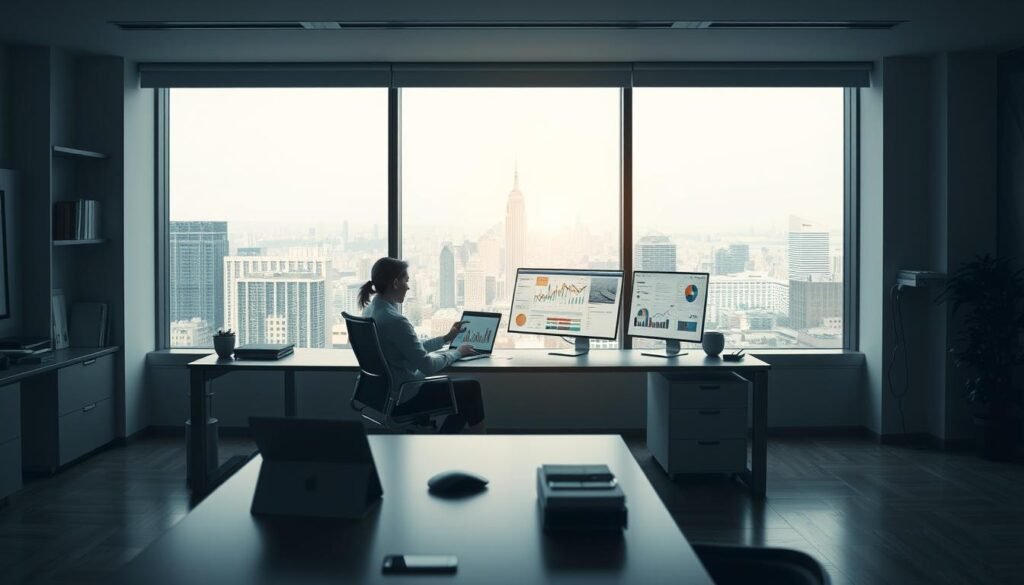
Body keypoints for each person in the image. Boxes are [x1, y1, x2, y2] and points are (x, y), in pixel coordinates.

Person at [359, 257, 486, 434]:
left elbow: (410, 348)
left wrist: (445, 338)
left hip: (381, 395)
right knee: (470, 389)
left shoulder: (370, 312)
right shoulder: (394, 320)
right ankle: (476, 444)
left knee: (464, 394)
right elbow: (427, 365)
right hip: (404, 396)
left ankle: (445, 444)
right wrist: (457, 353)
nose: (408, 287)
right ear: (396, 283)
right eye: (406, 281)